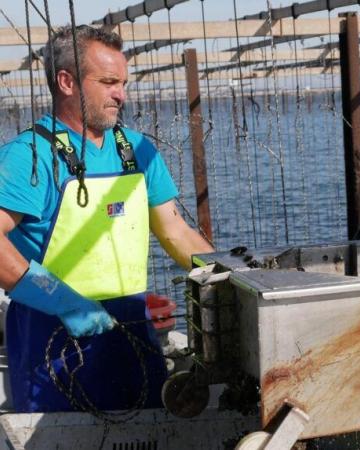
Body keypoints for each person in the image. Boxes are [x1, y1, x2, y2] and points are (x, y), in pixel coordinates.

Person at [0, 25, 214, 412]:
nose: (121, 94)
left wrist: (228, 280)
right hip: (53, 348)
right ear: (66, 81)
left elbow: (175, 231)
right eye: (109, 82)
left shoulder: (136, 150)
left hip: (132, 336)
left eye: (124, 82)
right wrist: (63, 301)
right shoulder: (29, 156)